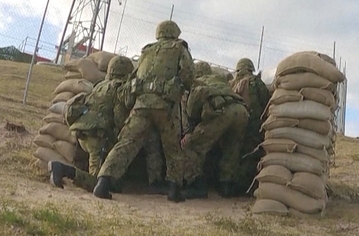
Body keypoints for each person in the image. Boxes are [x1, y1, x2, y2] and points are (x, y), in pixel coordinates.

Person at [93, 20, 194, 202]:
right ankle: (174, 189)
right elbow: (188, 74)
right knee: (172, 148)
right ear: (175, 33)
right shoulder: (179, 48)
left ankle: (103, 181)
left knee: (126, 144)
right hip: (165, 106)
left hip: (141, 105)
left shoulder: (146, 51)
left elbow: (135, 76)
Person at [50, 56, 132, 190]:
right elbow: (118, 119)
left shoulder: (100, 85)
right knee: (97, 181)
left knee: (103, 173)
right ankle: (62, 169)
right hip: (97, 137)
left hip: (82, 133)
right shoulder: (119, 89)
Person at [181, 61, 249, 198]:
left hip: (222, 113)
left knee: (191, 145)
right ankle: (226, 185)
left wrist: (190, 131)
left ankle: (196, 185)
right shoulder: (221, 80)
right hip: (241, 112)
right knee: (232, 148)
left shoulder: (198, 82)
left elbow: (192, 109)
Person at [230, 57, 270, 192]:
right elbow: (266, 103)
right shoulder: (257, 82)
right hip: (253, 125)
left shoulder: (231, 84)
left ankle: (229, 184)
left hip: (233, 124)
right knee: (251, 154)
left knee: (233, 152)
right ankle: (246, 186)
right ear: (250, 69)